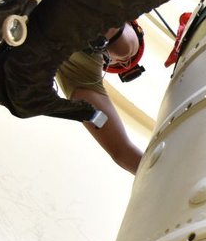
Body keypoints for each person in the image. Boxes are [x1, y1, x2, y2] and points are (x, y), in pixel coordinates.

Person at [56, 21, 146, 175]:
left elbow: (122, 151)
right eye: (133, 56)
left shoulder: (83, 73)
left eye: (113, 63)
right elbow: (122, 151)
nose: (126, 62)